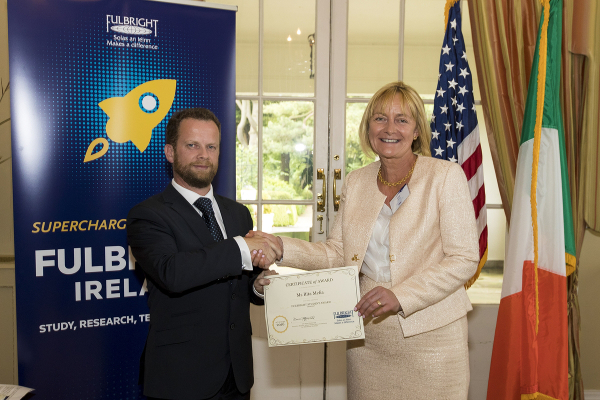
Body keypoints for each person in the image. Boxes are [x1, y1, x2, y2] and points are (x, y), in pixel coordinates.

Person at [251, 81, 479, 399]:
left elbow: (464, 258)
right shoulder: (357, 181)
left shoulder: (444, 176)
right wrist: (279, 246)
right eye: (380, 118)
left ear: (416, 131)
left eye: (402, 119)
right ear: (368, 126)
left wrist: (401, 295)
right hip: (367, 342)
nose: (389, 128)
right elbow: (337, 253)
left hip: (434, 340)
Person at [127, 108, 281, 400]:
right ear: (170, 152)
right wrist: (240, 247)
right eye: (192, 145)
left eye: (211, 146)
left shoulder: (237, 213)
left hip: (237, 375)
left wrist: (258, 288)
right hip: (182, 377)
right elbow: (173, 273)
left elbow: (239, 284)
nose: (203, 154)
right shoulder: (147, 215)